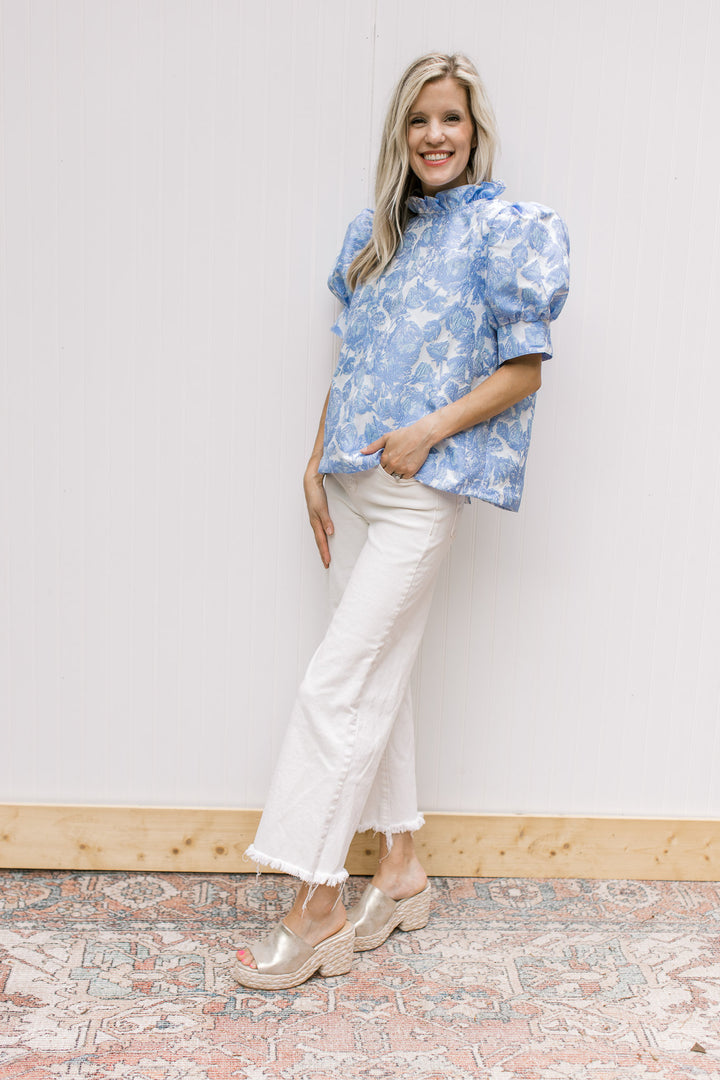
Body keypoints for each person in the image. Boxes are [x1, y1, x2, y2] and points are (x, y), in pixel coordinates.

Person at [235, 52, 569, 990]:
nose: (434, 135)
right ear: (400, 132)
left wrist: (428, 432)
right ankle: (406, 865)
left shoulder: (509, 230)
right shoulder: (373, 234)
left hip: (422, 488)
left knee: (337, 684)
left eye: (450, 119)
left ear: (475, 129)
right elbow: (352, 361)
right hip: (349, 483)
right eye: (419, 120)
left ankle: (315, 900)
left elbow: (524, 370)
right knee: (383, 681)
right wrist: (312, 460)